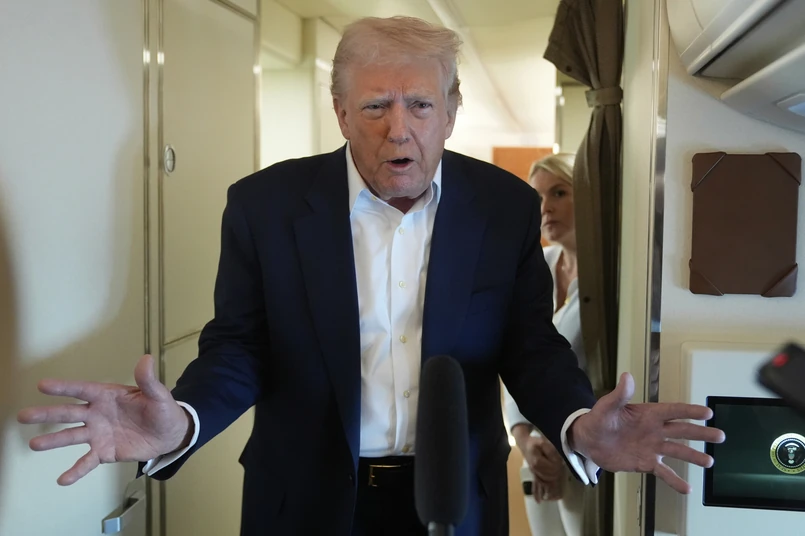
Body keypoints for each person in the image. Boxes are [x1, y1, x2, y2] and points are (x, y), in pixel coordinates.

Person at [17, 16, 724, 536]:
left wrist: (575, 423)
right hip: (303, 500)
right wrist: (185, 421)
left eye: (421, 105)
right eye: (376, 106)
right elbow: (240, 345)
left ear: (451, 111)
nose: (399, 128)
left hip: (454, 497)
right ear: (341, 113)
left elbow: (529, 345)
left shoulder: (504, 206)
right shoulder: (265, 205)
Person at [502, 153, 588, 536]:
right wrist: (522, 437)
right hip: (536, 452)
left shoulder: (611, 274)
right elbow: (514, 352)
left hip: (584, 451)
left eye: (559, 193)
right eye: (537, 198)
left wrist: (562, 436)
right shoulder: (538, 264)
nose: (545, 208)